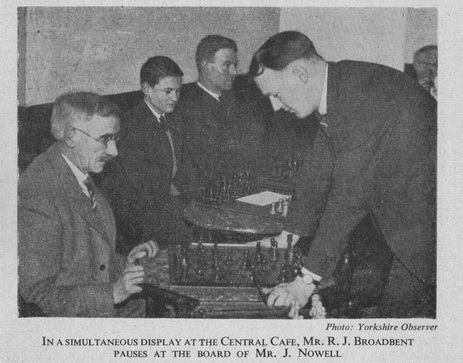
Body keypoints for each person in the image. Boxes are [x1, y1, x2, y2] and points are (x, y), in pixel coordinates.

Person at [249, 31, 436, 318]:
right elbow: (318, 170)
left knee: (394, 319)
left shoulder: (360, 98)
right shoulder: (339, 85)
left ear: (299, 74)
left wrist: (305, 282)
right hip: (405, 217)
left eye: (275, 93)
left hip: (432, 228)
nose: (276, 106)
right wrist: (287, 236)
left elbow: (349, 197)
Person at [18, 92, 158, 317]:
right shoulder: (39, 192)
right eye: (105, 139)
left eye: (115, 139)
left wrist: (124, 262)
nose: (114, 151)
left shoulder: (77, 168)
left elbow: (84, 259)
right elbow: (36, 295)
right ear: (72, 136)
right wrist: (112, 293)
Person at [99, 56, 191, 253]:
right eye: (167, 91)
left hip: (170, 205)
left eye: (178, 91)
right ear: (147, 89)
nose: (175, 98)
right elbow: (140, 193)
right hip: (142, 218)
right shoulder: (131, 127)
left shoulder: (175, 117)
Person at [172, 35, 265, 193]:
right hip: (207, 195)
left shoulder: (241, 102)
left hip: (242, 188)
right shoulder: (185, 108)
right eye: (227, 65)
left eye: (235, 65)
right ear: (206, 67)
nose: (234, 72)